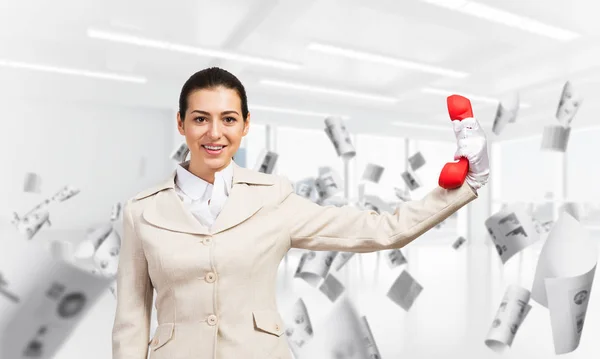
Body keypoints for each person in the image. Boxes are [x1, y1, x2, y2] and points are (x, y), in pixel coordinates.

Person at [111, 67, 490, 359]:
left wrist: (470, 182)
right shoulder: (142, 211)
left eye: (228, 119)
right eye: (199, 118)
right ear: (181, 124)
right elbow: (131, 322)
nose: (214, 132)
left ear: (245, 126)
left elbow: (380, 230)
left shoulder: (273, 198)